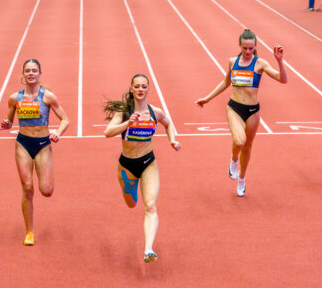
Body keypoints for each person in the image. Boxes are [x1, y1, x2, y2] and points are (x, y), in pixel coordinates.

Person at [195, 29, 287, 197]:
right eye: (245, 48)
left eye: (251, 48)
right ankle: (234, 159)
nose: (248, 51)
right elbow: (225, 82)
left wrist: (280, 61)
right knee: (239, 141)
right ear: (239, 45)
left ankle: (242, 179)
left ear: (255, 47)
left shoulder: (260, 64)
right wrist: (207, 98)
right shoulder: (233, 62)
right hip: (234, 108)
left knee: (248, 146)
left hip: (253, 111)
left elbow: (283, 79)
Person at [104, 74, 181, 262]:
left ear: (148, 89)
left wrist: (172, 139)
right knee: (131, 204)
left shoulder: (155, 112)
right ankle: (131, 187)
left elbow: (168, 123)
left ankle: (148, 249)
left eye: (144, 86)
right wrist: (127, 123)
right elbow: (108, 132)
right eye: (137, 86)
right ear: (131, 89)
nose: (140, 89)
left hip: (148, 163)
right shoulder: (124, 112)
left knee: (150, 206)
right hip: (127, 166)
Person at [0, 59, 69, 246]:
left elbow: (65, 119)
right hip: (23, 144)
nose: (31, 73)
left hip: (43, 145)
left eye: (34, 70)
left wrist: (58, 133)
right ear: (23, 74)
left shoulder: (48, 97)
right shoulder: (15, 98)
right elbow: (9, 121)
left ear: (40, 74)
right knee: (27, 188)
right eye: (28, 71)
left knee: (47, 191)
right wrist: (6, 123)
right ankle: (29, 231)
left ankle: (44, 180)